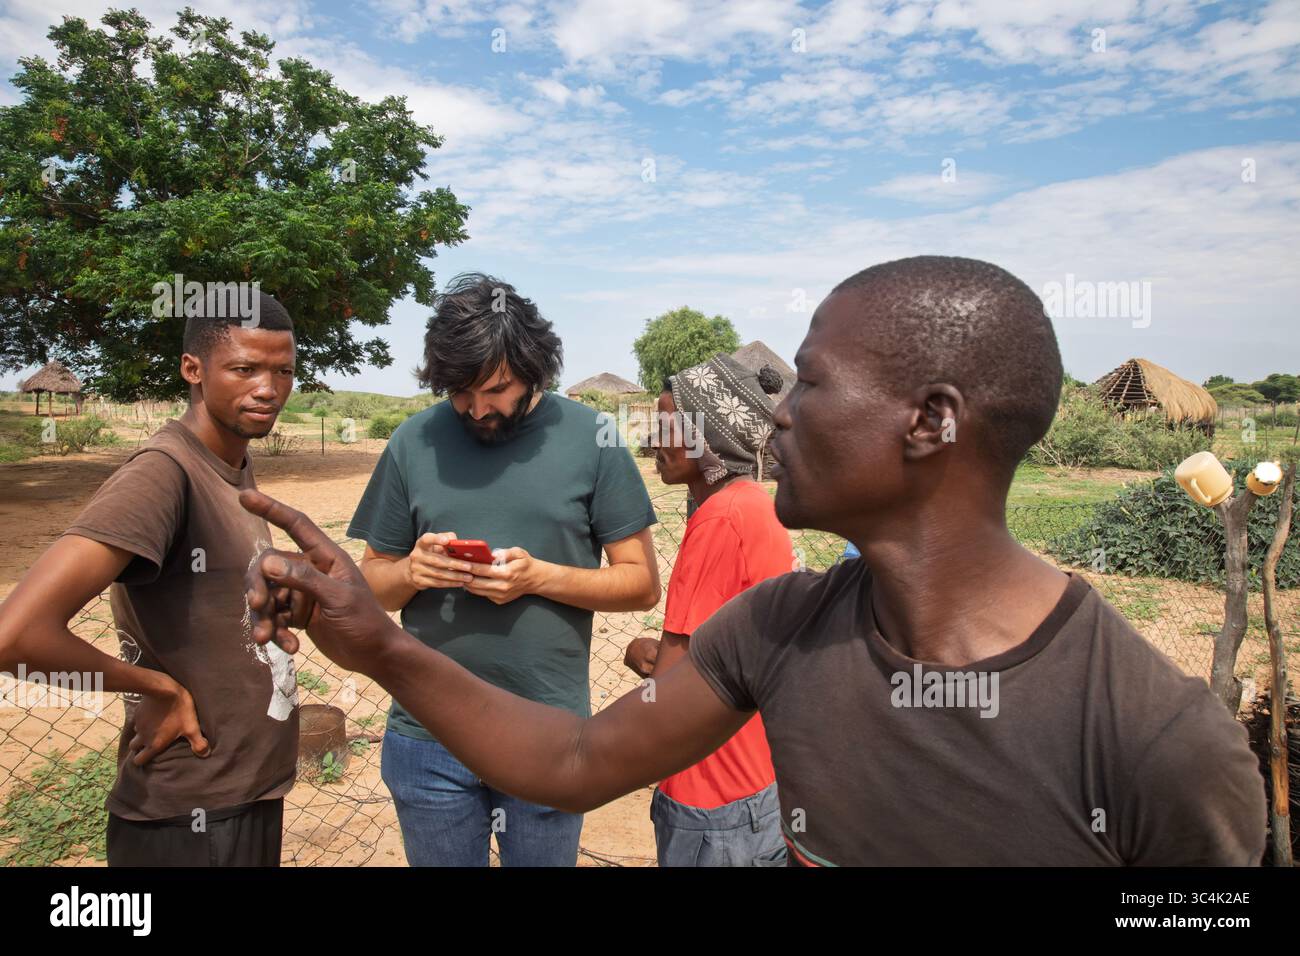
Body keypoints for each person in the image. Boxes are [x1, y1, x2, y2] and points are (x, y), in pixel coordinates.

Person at [242, 256, 1266, 866]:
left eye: (810, 383)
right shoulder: (777, 628)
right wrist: (375, 634)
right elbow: (569, 762)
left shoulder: (1157, 744)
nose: (774, 411)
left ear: (930, 422)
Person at [346, 273, 660, 867]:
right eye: (459, 392)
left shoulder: (592, 438)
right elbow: (369, 584)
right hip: (427, 738)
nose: (477, 408)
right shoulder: (413, 440)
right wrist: (414, 570)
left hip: (546, 735)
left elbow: (640, 583)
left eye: (495, 388)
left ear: (533, 366)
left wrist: (537, 576)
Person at [0, 290, 300, 866]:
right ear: (193, 369)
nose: (267, 388)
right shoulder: (164, 473)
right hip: (189, 813)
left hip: (247, 790)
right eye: (244, 369)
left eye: (282, 370)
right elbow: (15, 638)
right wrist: (153, 687)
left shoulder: (233, 462)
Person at [623, 354, 791, 866]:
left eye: (669, 423)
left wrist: (643, 655)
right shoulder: (755, 505)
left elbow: (671, 696)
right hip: (752, 775)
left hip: (710, 793)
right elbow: (717, 657)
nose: (655, 440)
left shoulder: (722, 519)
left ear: (711, 435)